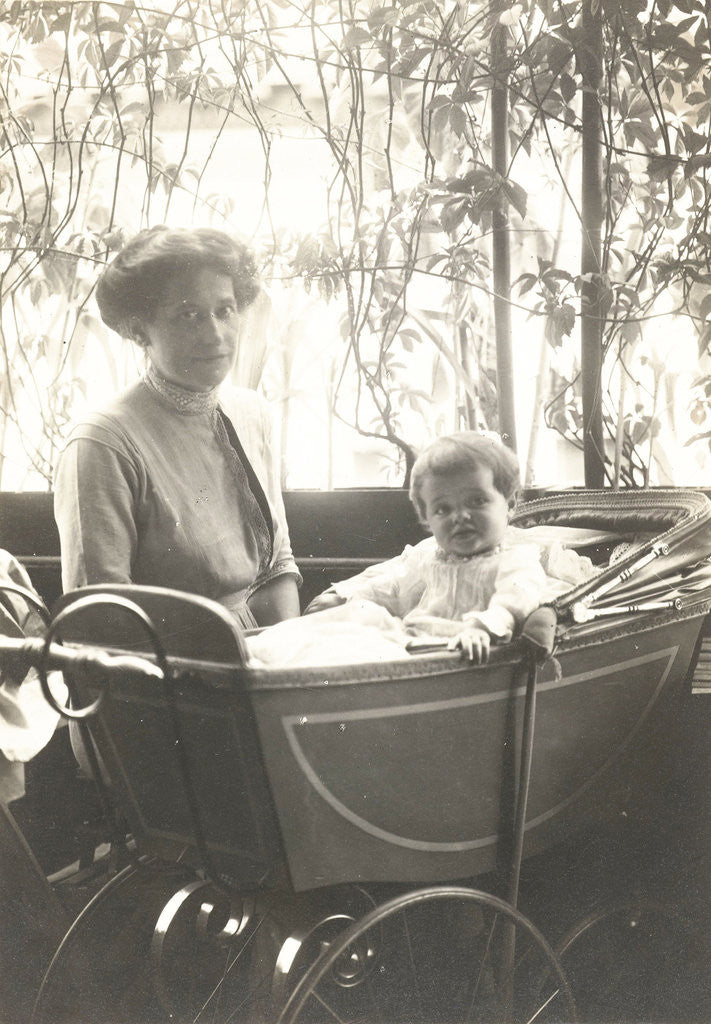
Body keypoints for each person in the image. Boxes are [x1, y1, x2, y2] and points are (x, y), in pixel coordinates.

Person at [54, 226, 301, 628]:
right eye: (189, 315)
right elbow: (100, 621)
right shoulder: (102, 441)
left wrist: (287, 660)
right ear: (139, 329)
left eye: (225, 310)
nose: (215, 335)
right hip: (166, 671)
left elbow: (276, 567)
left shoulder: (252, 413)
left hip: (263, 660)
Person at [297, 432, 595, 662]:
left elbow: (516, 597)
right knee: (353, 620)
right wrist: (347, 598)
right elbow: (394, 586)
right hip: (411, 640)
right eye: (442, 509)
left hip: (464, 649)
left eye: (477, 501)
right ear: (426, 519)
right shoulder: (428, 557)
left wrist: (483, 628)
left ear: (510, 504)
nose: (460, 516)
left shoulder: (516, 559)